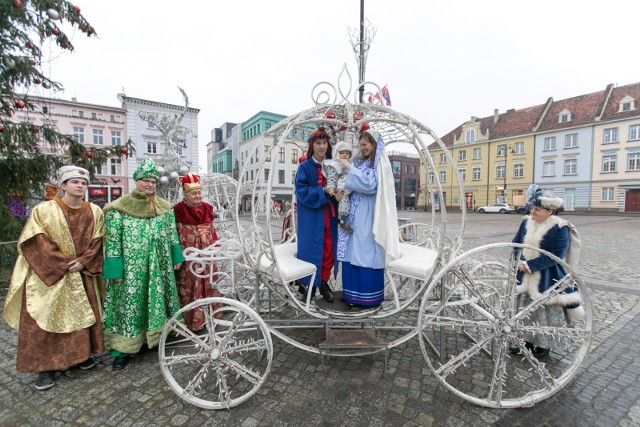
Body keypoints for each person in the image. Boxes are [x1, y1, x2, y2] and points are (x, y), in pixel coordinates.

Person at [3, 166, 105, 391]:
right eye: (75, 182)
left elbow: (98, 241)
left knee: (81, 316)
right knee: (47, 320)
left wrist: (84, 262)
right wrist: (62, 264)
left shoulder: (96, 211)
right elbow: (36, 239)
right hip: (49, 275)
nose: (80, 186)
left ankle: (80, 357)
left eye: (84, 183)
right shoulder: (44, 210)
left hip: (81, 272)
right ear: (64, 185)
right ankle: (45, 367)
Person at [101, 157, 185, 370]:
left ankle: (158, 337)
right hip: (131, 269)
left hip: (160, 264)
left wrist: (176, 257)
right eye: (146, 180)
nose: (150, 184)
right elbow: (112, 242)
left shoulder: (165, 208)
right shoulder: (118, 209)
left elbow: (172, 234)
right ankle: (124, 348)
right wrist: (115, 269)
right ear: (136, 180)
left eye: (154, 181)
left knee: (159, 298)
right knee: (131, 303)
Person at [511, 184, 584, 359]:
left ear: (550, 211)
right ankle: (525, 342)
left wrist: (530, 265)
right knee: (525, 311)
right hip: (524, 275)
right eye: (532, 208)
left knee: (546, 313)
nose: (532, 212)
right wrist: (519, 260)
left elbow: (556, 255)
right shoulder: (526, 222)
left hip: (548, 277)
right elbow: (515, 243)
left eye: (537, 209)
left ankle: (544, 346)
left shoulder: (560, 227)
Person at [337, 128, 399, 307]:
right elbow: (346, 180)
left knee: (365, 252)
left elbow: (370, 185)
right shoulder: (360, 162)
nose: (362, 148)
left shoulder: (378, 164)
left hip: (369, 213)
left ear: (373, 144)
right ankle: (350, 294)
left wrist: (350, 170)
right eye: (360, 145)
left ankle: (367, 296)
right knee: (351, 251)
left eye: (365, 145)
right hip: (354, 213)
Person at [295, 127, 341, 303]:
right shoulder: (304, 167)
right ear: (312, 145)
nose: (321, 146)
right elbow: (302, 192)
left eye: (324, 143)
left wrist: (339, 192)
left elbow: (340, 185)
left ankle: (323, 283)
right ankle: (310, 285)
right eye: (318, 143)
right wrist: (322, 190)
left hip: (329, 215)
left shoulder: (333, 165)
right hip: (312, 218)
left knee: (329, 249)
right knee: (311, 250)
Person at [173, 173, 221, 331]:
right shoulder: (178, 210)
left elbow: (212, 231)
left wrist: (216, 247)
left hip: (208, 256)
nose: (198, 196)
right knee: (191, 284)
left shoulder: (207, 208)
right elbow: (173, 235)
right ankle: (193, 320)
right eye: (194, 193)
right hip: (189, 257)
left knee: (209, 281)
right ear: (185, 195)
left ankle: (211, 315)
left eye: (199, 192)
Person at [323, 140, 353, 232]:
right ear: (336, 154)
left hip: (349, 188)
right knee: (344, 201)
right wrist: (331, 188)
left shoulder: (350, 165)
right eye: (342, 153)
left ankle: (345, 219)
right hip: (340, 189)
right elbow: (331, 178)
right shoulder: (334, 165)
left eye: (347, 153)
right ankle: (343, 219)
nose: (344, 155)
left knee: (349, 203)